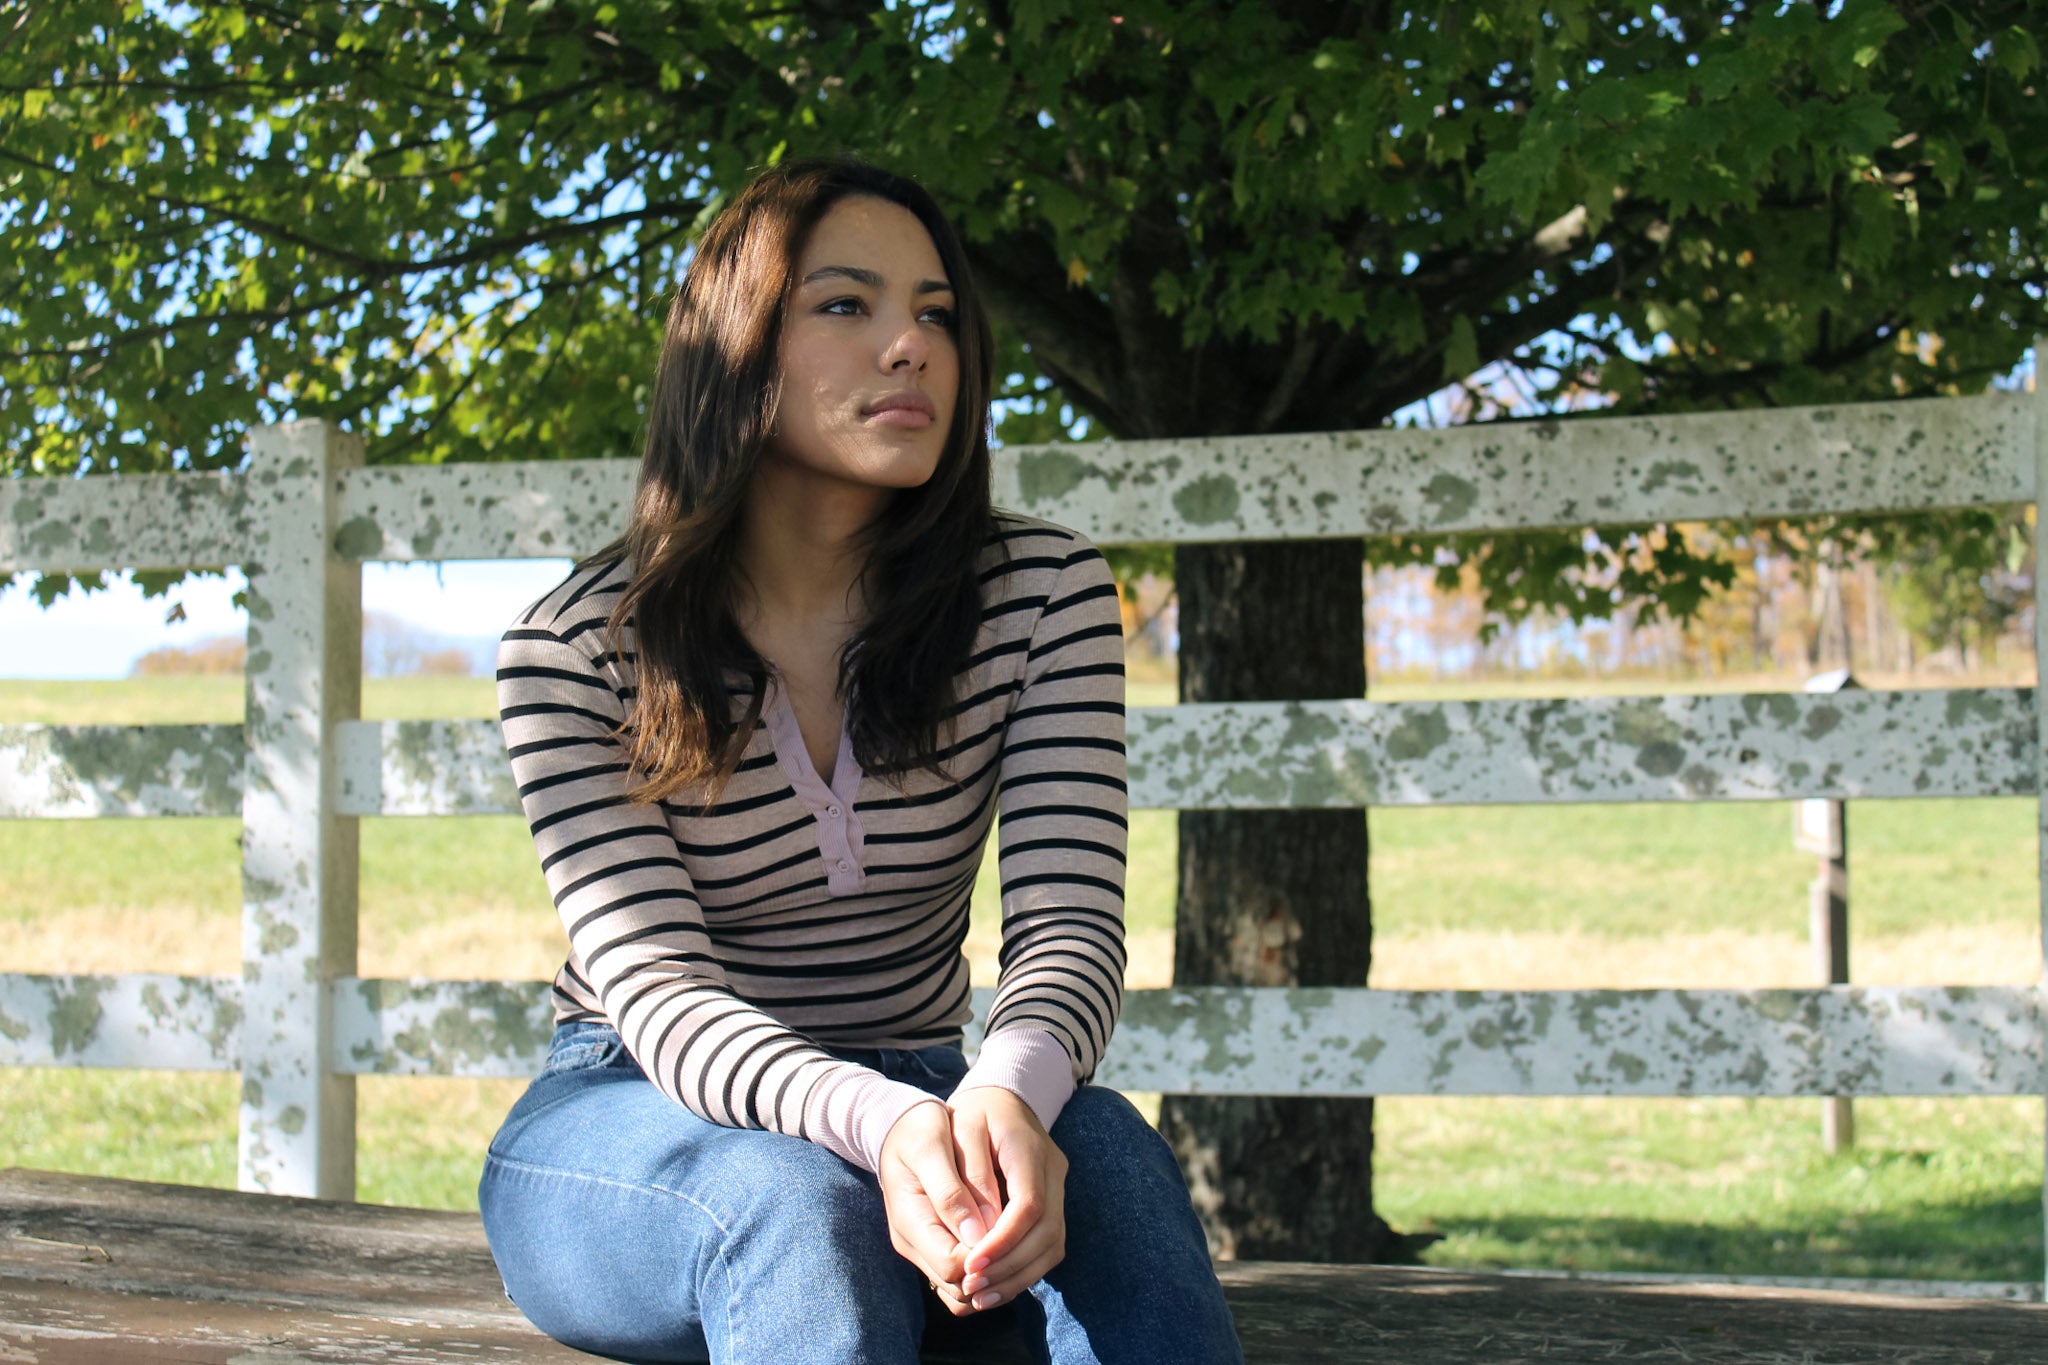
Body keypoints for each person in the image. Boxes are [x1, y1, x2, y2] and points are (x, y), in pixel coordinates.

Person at [477, 155, 1244, 1365]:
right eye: (847, 305)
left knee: (1109, 1160)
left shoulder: (1039, 594)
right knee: (798, 1205)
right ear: (735, 349)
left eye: (935, 313)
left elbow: (1068, 926)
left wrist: (1000, 1101)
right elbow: (664, 1001)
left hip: (933, 1085)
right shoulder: (575, 646)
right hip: (641, 1116)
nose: (911, 347)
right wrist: (886, 1128)